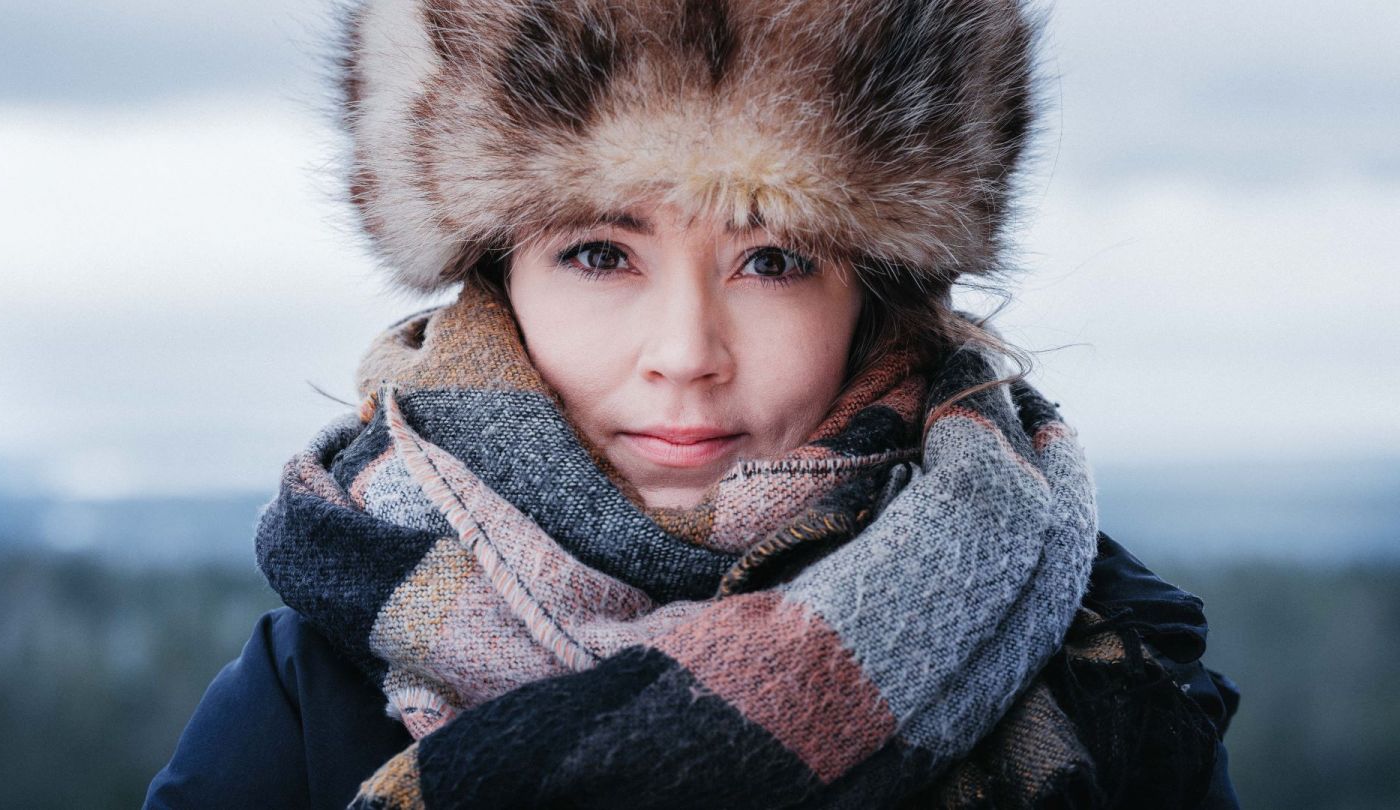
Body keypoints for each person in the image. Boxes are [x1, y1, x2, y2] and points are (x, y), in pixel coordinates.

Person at [146, 0, 1239, 807]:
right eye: (597, 252)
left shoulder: (1106, 656)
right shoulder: (305, 707)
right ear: (494, 272)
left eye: (772, 259)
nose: (685, 354)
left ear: (876, 284)